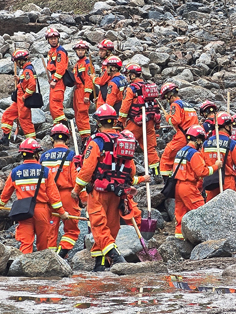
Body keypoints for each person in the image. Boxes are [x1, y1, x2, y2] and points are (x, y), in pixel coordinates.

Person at [74, 105, 151, 271]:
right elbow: (130, 170)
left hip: (99, 190)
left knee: (98, 226)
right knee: (111, 227)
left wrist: (76, 190)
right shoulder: (124, 141)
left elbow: (87, 169)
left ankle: (117, 257)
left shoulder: (97, 141)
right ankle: (100, 265)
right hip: (118, 193)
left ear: (98, 122)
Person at [0, 138, 69, 254]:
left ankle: (24, 269)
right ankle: (43, 267)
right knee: (43, 243)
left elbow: (6, 192)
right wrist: (62, 212)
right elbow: (53, 196)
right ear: (36, 154)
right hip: (42, 211)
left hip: (24, 211)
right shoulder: (45, 171)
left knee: (26, 242)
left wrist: (0, 204)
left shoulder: (15, 172)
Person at [169, 125, 219, 239]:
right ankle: (208, 238)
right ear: (198, 139)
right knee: (201, 211)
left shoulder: (180, 152)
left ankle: (179, 239)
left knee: (180, 213)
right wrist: (215, 166)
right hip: (188, 186)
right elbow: (202, 171)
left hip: (178, 186)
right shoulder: (194, 154)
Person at [41, 124, 80, 258]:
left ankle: (51, 257)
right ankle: (62, 251)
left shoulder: (44, 156)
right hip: (67, 195)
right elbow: (76, 178)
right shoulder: (71, 155)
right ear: (67, 139)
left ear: (52, 139)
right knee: (72, 229)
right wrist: (85, 198)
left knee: (51, 228)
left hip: (48, 196)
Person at [118, 64, 161, 173]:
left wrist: (120, 121)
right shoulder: (148, 87)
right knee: (150, 148)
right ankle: (157, 173)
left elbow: (125, 107)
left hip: (136, 122)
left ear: (132, 75)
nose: (127, 78)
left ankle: (122, 171)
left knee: (125, 144)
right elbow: (155, 105)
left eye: (128, 75)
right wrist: (157, 124)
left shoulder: (131, 89)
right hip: (150, 122)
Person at [201, 112, 236, 200]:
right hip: (227, 181)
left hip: (210, 181)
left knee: (211, 209)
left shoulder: (206, 143)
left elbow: (201, 162)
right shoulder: (231, 144)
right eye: (231, 126)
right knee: (228, 209)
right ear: (226, 126)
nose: (232, 128)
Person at [158, 82, 198, 177]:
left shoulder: (175, 105)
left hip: (182, 136)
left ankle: (168, 182)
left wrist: (168, 117)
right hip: (193, 137)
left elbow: (175, 120)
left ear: (170, 95)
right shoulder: (188, 105)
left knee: (167, 157)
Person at [0, 49, 38, 144]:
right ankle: (5, 138)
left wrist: (25, 96)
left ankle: (32, 143)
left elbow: (32, 85)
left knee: (25, 122)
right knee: (7, 115)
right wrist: (19, 79)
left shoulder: (27, 70)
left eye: (17, 61)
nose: (16, 63)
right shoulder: (26, 70)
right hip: (19, 101)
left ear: (21, 60)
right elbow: (26, 82)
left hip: (23, 101)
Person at [70, 41, 95, 142]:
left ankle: (86, 137)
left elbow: (89, 80)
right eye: (79, 50)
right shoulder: (77, 64)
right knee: (77, 115)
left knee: (83, 114)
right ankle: (82, 136)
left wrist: (87, 95)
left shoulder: (87, 63)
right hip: (77, 90)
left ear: (85, 51)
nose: (80, 52)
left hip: (83, 91)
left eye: (82, 50)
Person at [44, 28, 69, 125]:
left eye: (55, 38)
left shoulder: (60, 51)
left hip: (58, 81)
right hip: (54, 79)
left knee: (56, 104)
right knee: (52, 105)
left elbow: (61, 68)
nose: (53, 40)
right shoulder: (52, 51)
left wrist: (55, 79)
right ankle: (57, 126)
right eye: (51, 38)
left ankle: (63, 125)